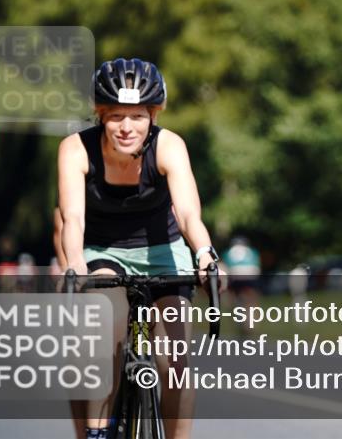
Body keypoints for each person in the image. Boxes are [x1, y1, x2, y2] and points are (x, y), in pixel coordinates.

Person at [58, 58, 222, 439]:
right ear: (100, 115)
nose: (126, 127)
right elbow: (73, 218)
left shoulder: (169, 146)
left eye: (137, 116)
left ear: (153, 115)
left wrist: (204, 253)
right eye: (116, 116)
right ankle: (98, 432)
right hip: (104, 253)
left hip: (162, 251)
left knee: (175, 364)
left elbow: (188, 214)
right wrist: (76, 262)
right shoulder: (75, 149)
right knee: (107, 334)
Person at [221, 235, 262, 334]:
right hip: (250, 274)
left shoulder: (228, 252)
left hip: (235, 275)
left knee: (232, 296)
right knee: (251, 299)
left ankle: (236, 314)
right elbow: (257, 265)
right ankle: (251, 322)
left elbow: (225, 266)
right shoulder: (252, 251)